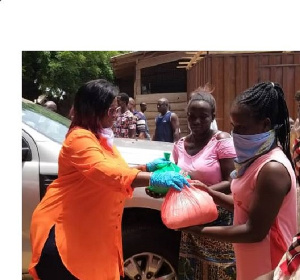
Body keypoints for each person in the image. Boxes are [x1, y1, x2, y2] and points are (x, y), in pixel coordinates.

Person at [28, 79, 190, 280]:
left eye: (117, 110)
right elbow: (105, 172)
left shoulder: (100, 138)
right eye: (112, 111)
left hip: (89, 234)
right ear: (94, 110)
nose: (116, 115)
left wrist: (145, 168)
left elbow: (116, 169)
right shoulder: (79, 139)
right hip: (65, 234)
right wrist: (154, 178)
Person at [181, 81, 297, 280]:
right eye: (234, 127)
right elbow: (246, 208)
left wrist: (199, 230)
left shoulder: (272, 169)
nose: (236, 135)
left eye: (242, 127)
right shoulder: (255, 160)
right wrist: (210, 194)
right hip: (251, 258)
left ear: (265, 124)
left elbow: (254, 231)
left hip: (269, 261)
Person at [173, 86, 237, 279]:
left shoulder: (221, 140)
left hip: (219, 218)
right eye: (192, 116)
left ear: (213, 116)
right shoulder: (179, 145)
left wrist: (202, 192)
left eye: (203, 116)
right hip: (191, 218)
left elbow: (231, 180)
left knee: (220, 271)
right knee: (191, 270)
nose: (197, 121)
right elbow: (177, 177)